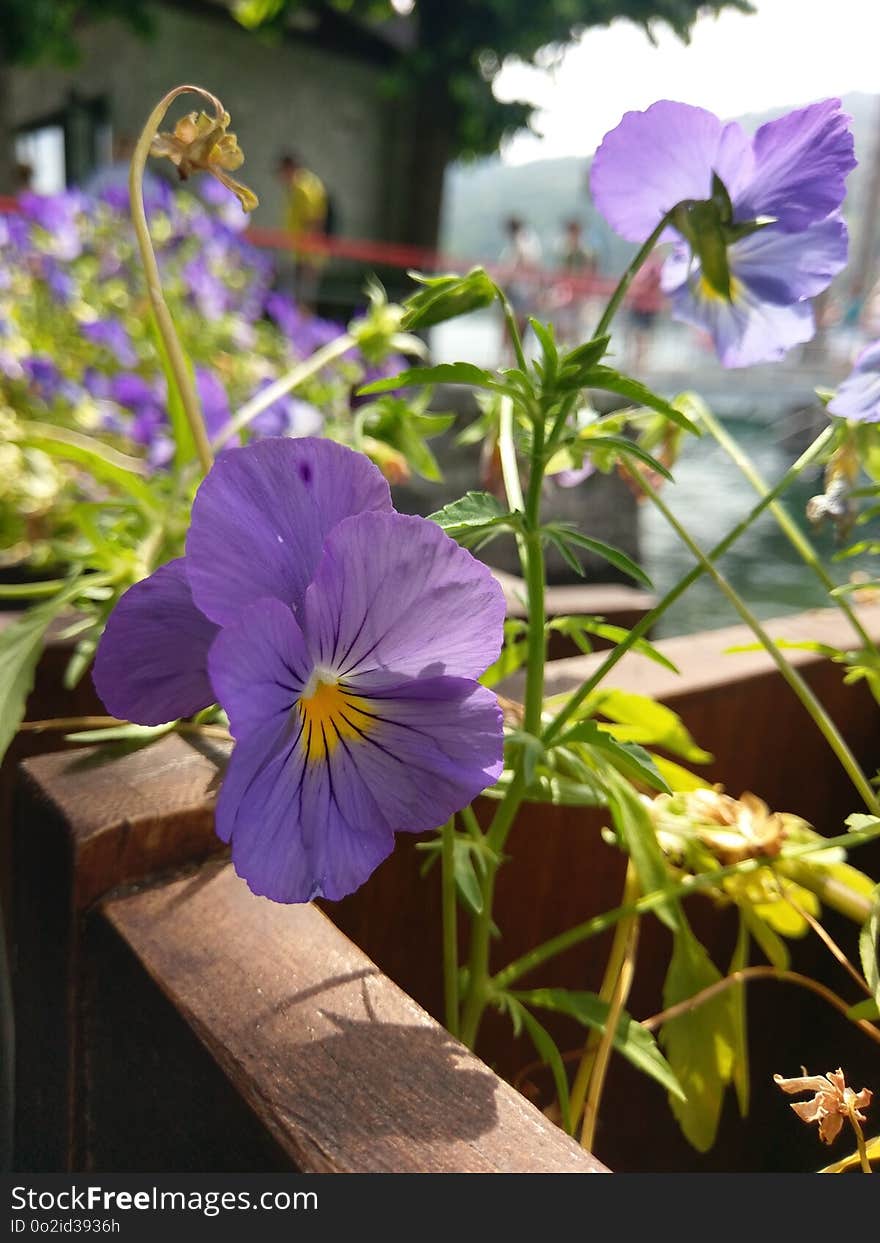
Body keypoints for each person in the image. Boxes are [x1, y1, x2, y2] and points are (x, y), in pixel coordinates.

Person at [276, 151, 328, 310]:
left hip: (305, 255)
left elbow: (314, 222)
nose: (281, 177)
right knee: (299, 298)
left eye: (282, 171)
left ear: (289, 168)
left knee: (303, 300)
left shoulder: (303, 187)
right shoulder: (303, 185)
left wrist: (310, 257)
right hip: (300, 252)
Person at [498, 216, 542, 361]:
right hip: (523, 292)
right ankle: (512, 361)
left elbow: (521, 263)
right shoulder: (529, 240)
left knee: (514, 331)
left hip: (519, 292)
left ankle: (509, 362)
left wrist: (507, 279)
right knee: (516, 332)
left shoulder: (521, 241)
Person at [552, 218, 597, 345]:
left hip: (578, 297)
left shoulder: (584, 253)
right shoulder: (565, 251)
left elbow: (588, 273)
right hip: (565, 295)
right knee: (561, 330)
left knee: (575, 332)